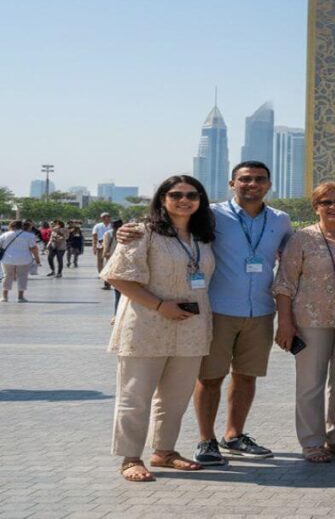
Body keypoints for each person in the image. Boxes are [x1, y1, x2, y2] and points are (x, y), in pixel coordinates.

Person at [117, 160, 292, 466]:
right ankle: (205, 440)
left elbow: (291, 261)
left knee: (246, 377)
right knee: (209, 378)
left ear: (269, 184)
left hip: (261, 310)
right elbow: (160, 232)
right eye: (245, 179)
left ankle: (234, 435)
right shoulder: (211, 214)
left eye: (259, 179)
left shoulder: (281, 219)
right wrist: (127, 230)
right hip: (217, 309)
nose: (252, 184)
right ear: (231, 184)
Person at [101, 175, 215, 482]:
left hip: (190, 328)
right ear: (162, 199)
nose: (184, 199)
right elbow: (118, 277)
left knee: (176, 396)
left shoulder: (203, 237)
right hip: (147, 325)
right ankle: (130, 457)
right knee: (135, 394)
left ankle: (165, 451)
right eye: (176, 194)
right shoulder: (142, 232)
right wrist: (159, 305)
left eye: (192, 194)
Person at [272, 181, 335, 463]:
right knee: (310, 383)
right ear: (316, 207)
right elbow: (284, 283)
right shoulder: (302, 238)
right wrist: (285, 323)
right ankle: (312, 441)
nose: (333, 207)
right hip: (310, 319)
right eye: (326, 202)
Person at [1, 220, 42, 303]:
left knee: (7, 276)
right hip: (24, 259)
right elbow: (33, 248)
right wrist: (37, 259)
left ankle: (4, 296)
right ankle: (20, 297)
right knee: (22, 276)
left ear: (11, 226)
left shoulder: (5, 235)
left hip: (8, 259)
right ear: (22, 226)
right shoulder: (29, 236)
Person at [93, 213, 113, 289]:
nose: (106, 218)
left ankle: (108, 274)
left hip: (110, 245)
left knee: (109, 261)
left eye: (108, 217)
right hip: (100, 245)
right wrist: (94, 247)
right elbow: (94, 236)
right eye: (104, 217)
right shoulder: (97, 226)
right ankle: (101, 273)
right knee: (100, 260)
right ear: (101, 218)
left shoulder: (112, 226)